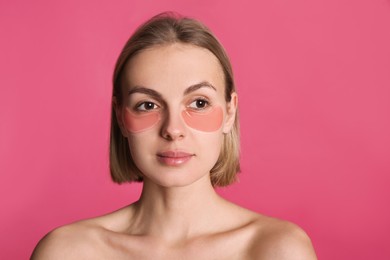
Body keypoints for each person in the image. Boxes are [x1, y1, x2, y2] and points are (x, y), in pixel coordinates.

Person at [32, 12, 317, 259]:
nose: (173, 130)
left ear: (229, 113)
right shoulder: (67, 252)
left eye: (199, 103)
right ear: (120, 116)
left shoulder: (277, 250)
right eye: (148, 105)